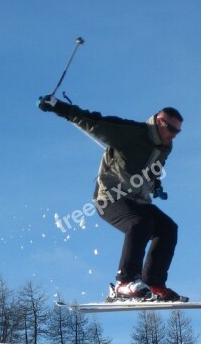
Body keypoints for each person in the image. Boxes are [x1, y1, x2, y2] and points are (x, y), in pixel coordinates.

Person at [38, 95, 186, 302]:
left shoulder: (165, 147)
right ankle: (124, 283)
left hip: (137, 200)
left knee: (168, 228)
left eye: (178, 132)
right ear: (160, 121)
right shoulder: (131, 133)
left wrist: (157, 185)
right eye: (172, 129)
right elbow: (92, 121)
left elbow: (154, 168)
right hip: (109, 198)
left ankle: (153, 283)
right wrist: (58, 107)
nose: (174, 136)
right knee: (140, 223)